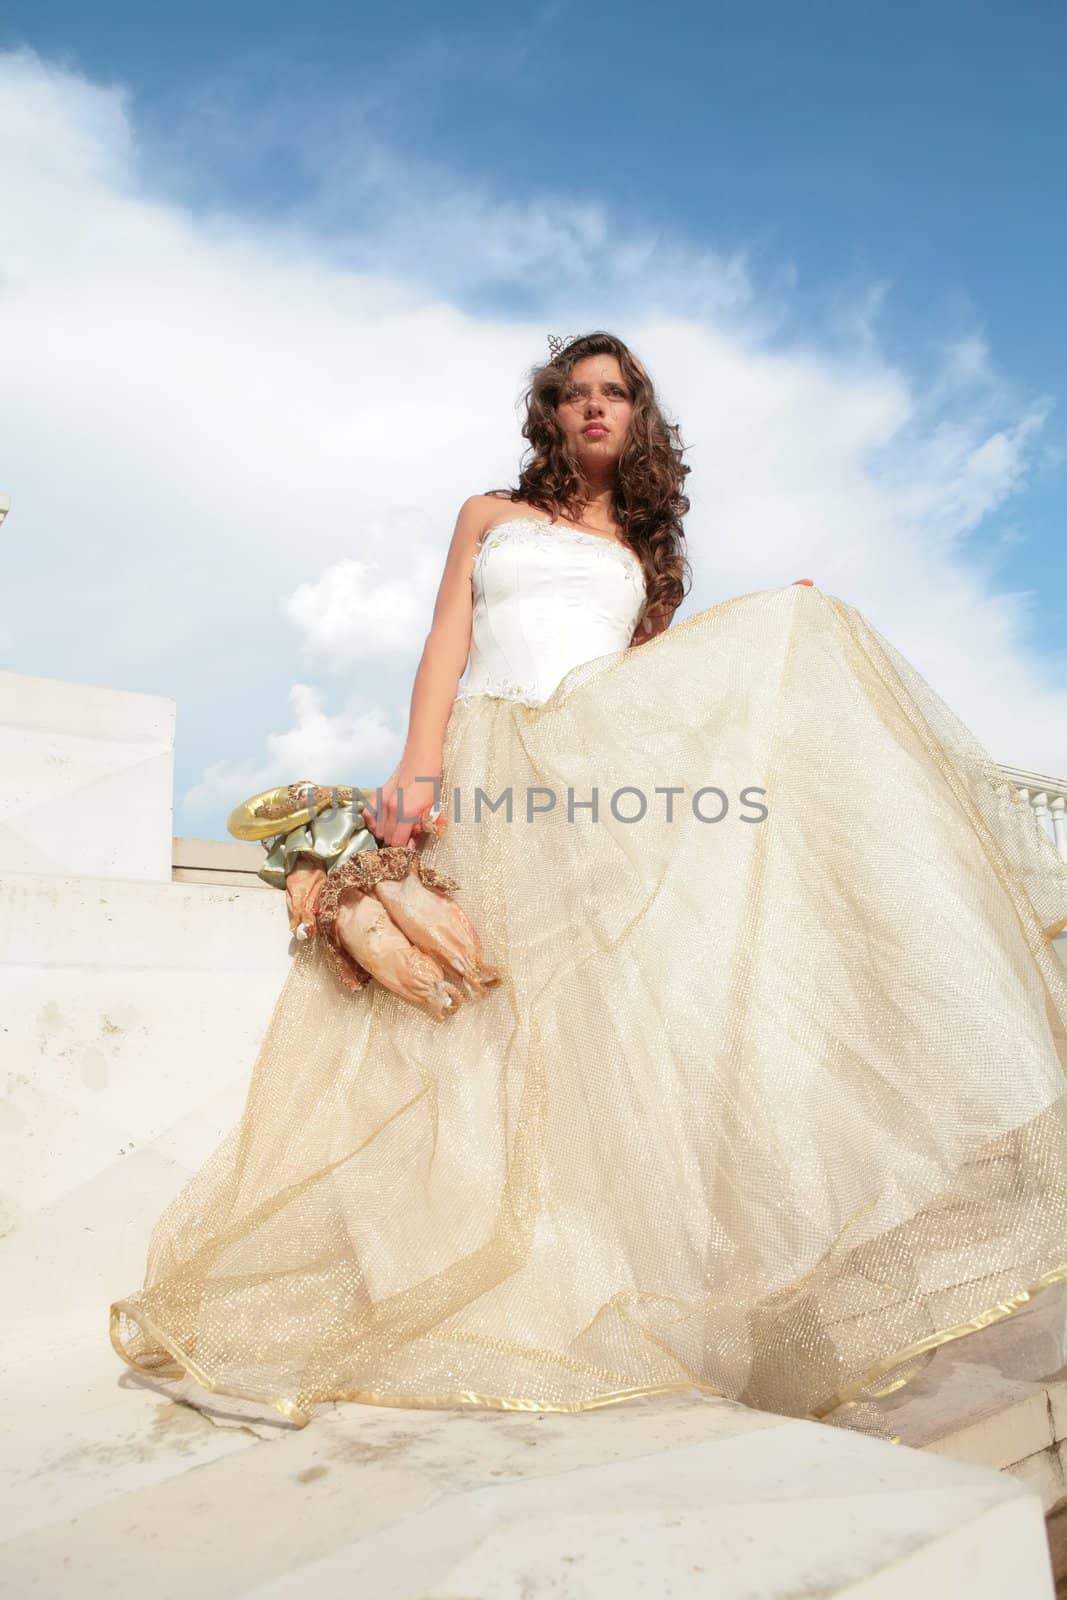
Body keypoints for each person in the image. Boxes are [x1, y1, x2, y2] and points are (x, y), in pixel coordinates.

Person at [111, 331, 1067, 1439]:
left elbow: (650, 684)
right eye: (576, 394)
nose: (595, 409)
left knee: (597, 1021)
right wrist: (417, 768)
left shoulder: (645, 555)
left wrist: (758, 637)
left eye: (615, 394)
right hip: (493, 760)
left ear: (638, 418)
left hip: (595, 771)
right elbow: (444, 645)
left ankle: (600, 1283)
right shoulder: (487, 514)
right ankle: (465, 1270)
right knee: (478, 1016)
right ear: (551, 414)